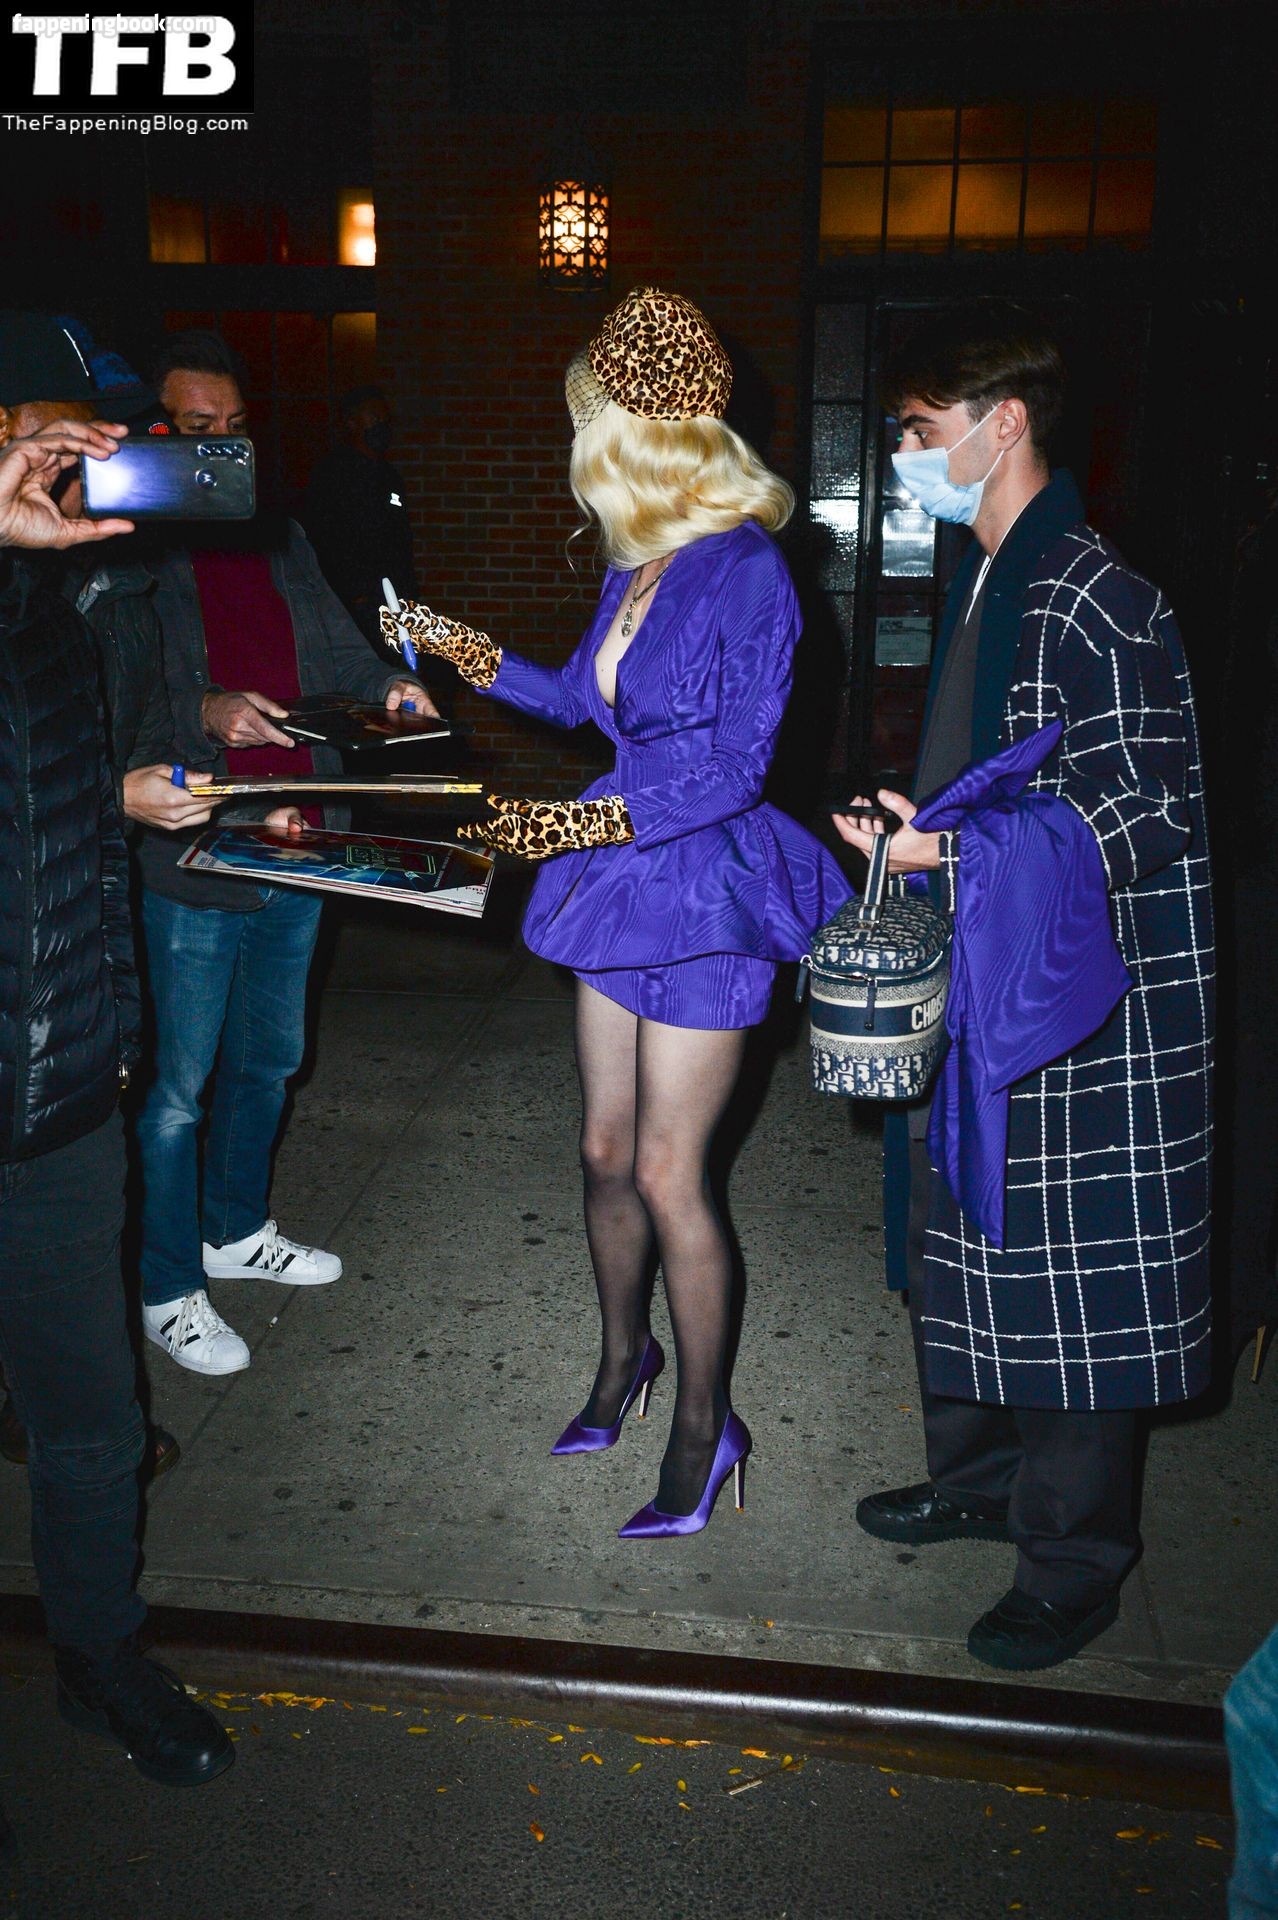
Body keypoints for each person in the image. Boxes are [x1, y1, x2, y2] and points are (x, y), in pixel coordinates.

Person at [384, 287, 852, 1537]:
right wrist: (453, 643)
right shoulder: (638, 561)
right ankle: (621, 1360)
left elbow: (736, 769)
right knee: (601, 1150)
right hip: (625, 875)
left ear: (630, 435)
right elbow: (583, 705)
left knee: (665, 1170)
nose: (573, 444)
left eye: (584, 421)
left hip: (707, 885)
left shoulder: (750, 572)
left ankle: (705, 1426)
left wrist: (570, 827)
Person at [834, 302, 1213, 1671]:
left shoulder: (1095, 590)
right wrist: (917, 829)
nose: (903, 457)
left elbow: (1149, 802)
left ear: (1003, 424)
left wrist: (953, 851)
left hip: (1076, 1000)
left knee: (1069, 1280)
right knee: (961, 1237)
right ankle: (980, 1479)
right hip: (992, 970)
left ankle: (1073, 1562)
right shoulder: (999, 571)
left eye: (917, 431)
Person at [0, 323, 231, 1795]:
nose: (74, 462)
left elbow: (53, 808)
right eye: (47, 430)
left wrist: (120, 791)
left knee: (92, 1417)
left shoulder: (53, 599)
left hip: (60, 1081)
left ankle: (98, 1653)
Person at [132, 329, 435, 1377]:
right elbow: (110, 691)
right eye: (196, 427)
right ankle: (167, 1285)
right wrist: (204, 707)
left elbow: (340, 644)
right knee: (179, 1090)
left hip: (301, 834)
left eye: (235, 425)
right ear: (154, 431)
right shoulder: (124, 543)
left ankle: (235, 1230)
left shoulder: (278, 530)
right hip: (199, 849)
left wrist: (390, 685)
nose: (221, 445)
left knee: (269, 1059)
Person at [302, 384, 417, 645]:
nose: (381, 425)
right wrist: (355, 595)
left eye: (385, 419)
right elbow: (325, 540)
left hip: (394, 602)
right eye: (374, 418)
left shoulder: (389, 476)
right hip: (352, 607)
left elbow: (400, 539)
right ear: (352, 422)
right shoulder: (333, 474)